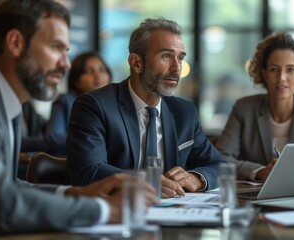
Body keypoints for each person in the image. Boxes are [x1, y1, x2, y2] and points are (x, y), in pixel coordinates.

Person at [0, 0, 156, 237]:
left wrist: (77, 193)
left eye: (66, 51)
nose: (66, 64)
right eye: (56, 48)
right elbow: (1, 205)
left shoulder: (1, 98)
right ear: (16, 43)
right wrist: (104, 209)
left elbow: (9, 185)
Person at [66, 17, 225, 198]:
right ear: (136, 63)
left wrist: (196, 178)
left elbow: (218, 165)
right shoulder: (94, 106)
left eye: (180, 58)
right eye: (166, 56)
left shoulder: (184, 111)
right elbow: (87, 172)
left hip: (173, 215)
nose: (177, 67)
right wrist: (143, 180)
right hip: (116, 214)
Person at [215, 31, 294, 182]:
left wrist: (287, 169)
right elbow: (220, 159)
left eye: (290, 69)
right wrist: (260, 171)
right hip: (253, 200)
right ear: (264, 74)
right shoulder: (244, 108)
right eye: (274, 69)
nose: (282, 78)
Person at [21, 51, 111, 156]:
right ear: (76, 80)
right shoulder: (66, 100)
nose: (97, 75)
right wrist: (91, 136)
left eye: (102, 70)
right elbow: (53, 139)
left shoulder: (114, 103)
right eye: (89, 71)